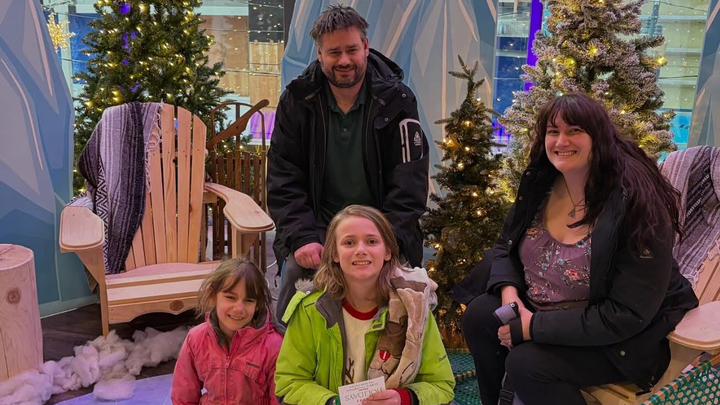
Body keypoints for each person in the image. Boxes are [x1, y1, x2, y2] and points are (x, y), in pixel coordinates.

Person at [461, 93, 699, 405]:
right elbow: (504, 247)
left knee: (527, 364)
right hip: (546, 309)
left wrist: (532, 327)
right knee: (480, 316)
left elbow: (625, 316)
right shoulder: (541, 182)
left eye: (574, 130)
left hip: (620, 336)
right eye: (553, 131)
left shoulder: (636, 203)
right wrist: (510, 295)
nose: (562, 141)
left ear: (598, 138)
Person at [267, 4, 429, 323]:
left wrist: (385, 241)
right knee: (296, 285)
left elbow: (409, 184)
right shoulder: (297, 101)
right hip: (320, 227)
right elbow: (283, 179)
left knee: (401, 303)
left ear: (366, 47)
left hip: (381, 227)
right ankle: (286, 349)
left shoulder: (398, 101)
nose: (344, 60)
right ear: (320, 53)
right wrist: (302, 237)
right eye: (334, 52)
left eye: (352, 49)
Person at [274, 205, 455, 405]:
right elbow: (290, 382)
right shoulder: (310, 309)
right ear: (334, 254)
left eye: (371, 241)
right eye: (349, 242)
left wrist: (403, 398)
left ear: (387, 252)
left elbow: (441, 385)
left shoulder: (414, 306)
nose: (361, 250)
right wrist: (332, 402)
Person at [171, 258, 283, 405]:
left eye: (249, 300)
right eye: (231, 297)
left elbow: (279, 400)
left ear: (258, 304)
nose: (239, 308)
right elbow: (183, 397)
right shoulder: (196, 339)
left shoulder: (274, 346)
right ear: (212, 296)